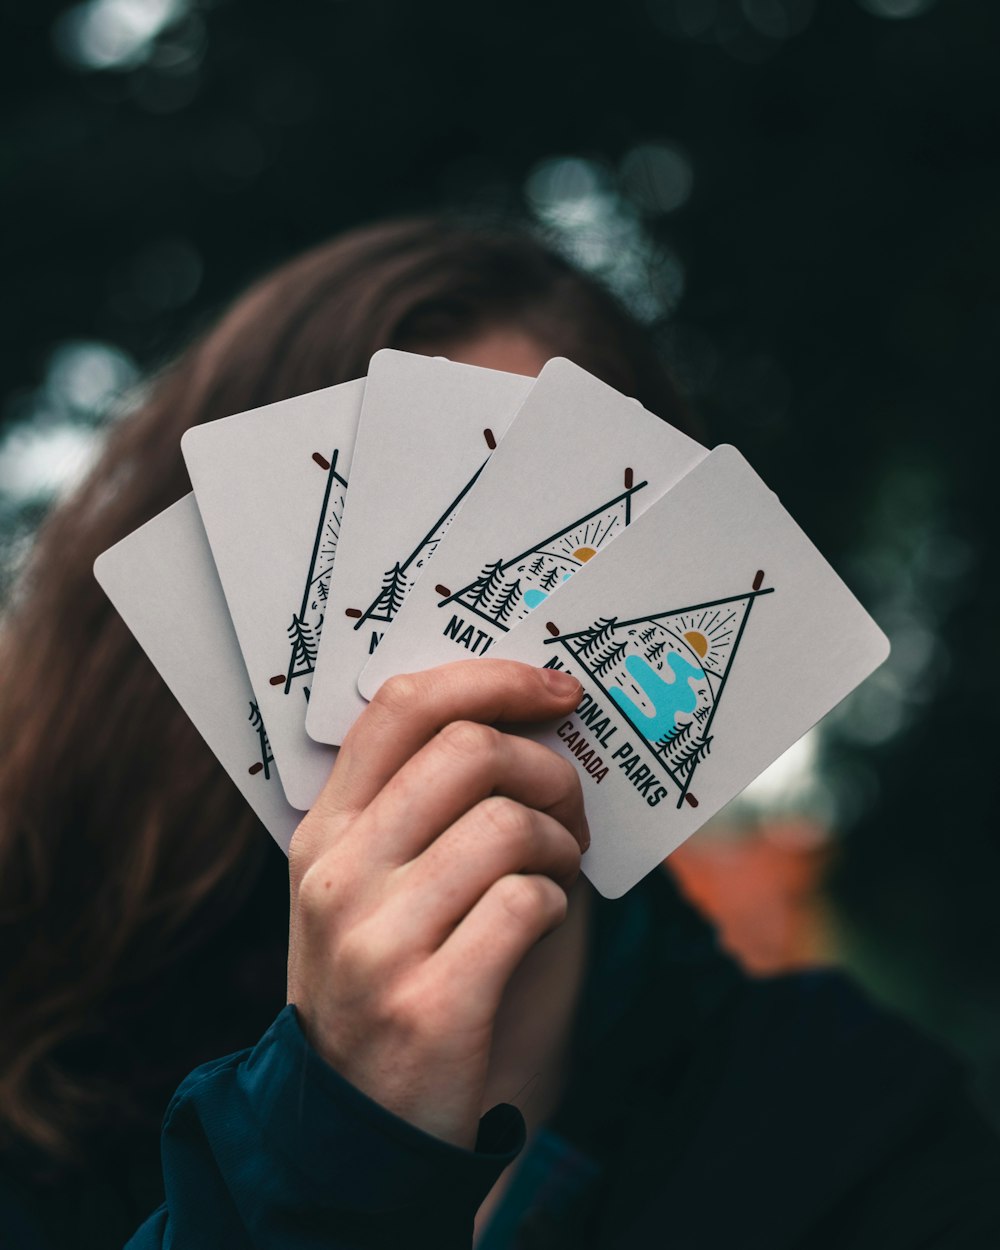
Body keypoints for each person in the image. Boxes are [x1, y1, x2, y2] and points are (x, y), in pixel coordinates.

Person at [0, 216, 997, 1249]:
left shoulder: (860, 1129)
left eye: (535, 572)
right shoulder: (46, 1095)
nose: (444, 682)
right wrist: (332, 1138)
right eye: (385, 586)